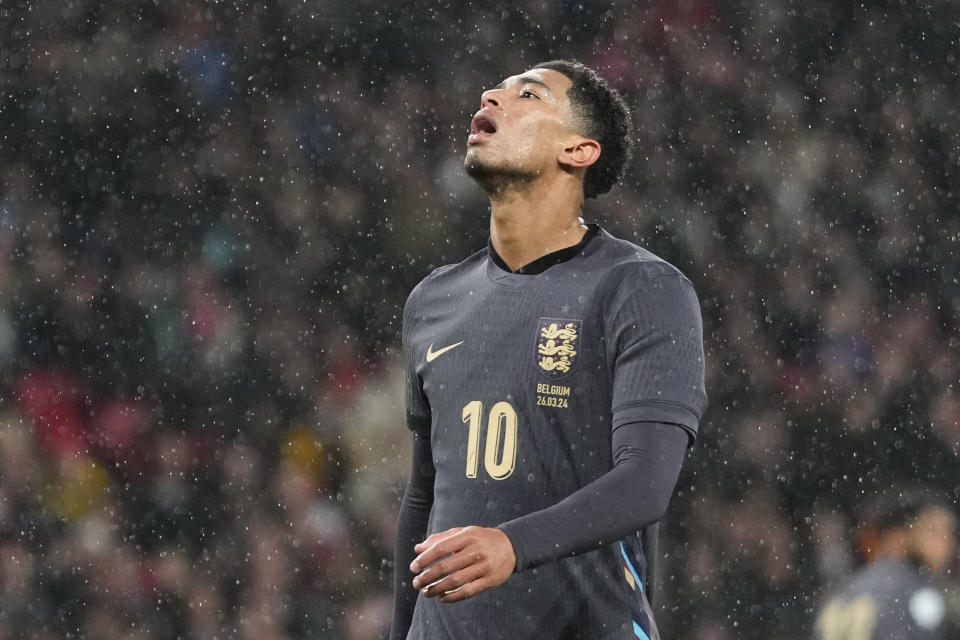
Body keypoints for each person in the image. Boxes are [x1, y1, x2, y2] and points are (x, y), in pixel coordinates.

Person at [390, 59, 708, 640]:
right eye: (495, 90)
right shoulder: (433, 300)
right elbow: (424, 495)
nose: (491, 95)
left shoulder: (641, 288)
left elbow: (645, 482)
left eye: (528, 94)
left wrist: (514, 544)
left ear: (579, 151)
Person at [813, 486, 958, 640]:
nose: (947, 542)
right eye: (933, 531)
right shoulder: (913, 591)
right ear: (897, 536)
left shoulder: (842, 591)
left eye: (949, 532)